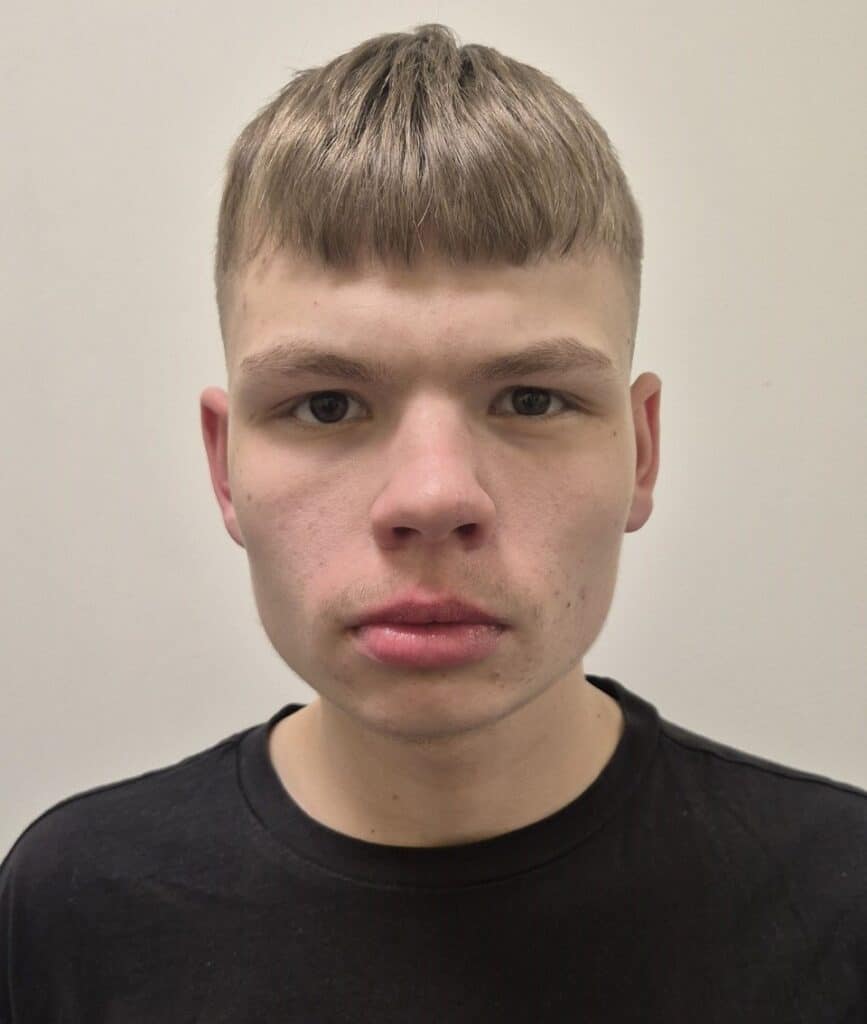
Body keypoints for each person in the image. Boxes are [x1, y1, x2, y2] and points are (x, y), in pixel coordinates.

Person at [2, 23, 864, 1022]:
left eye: (531, 400)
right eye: (327, 405)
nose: (432, 497)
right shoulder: (76, 909)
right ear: (223, 466)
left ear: (640, 451)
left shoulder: (839, 903)